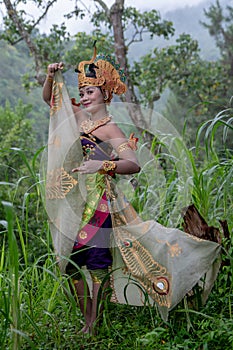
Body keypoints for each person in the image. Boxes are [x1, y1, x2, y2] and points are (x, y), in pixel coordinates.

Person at [42, 46, 221, 335]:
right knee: (71, 264)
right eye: (83, 91)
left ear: (105, 94)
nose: (85, 97)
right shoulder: (76, 116)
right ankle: (88, 321)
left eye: (91, 92)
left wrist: (101, 166)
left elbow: (133, 164)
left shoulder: (111, 129)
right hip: (77, 197)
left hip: (100, 200)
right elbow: (50, 100)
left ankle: (92, 324)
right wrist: (51, 77)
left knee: (92, 258)